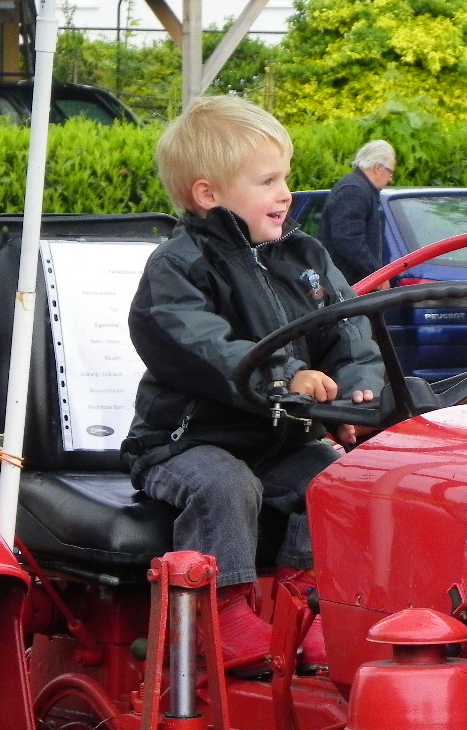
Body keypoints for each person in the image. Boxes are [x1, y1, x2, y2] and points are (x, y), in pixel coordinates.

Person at [122, 95, 385, 671]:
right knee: (226, 485)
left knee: (337, 479)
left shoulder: (305, 256)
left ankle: (306, 606)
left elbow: (348, 329)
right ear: (208, 194)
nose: (285, 193)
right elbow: (202, 345)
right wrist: (285, 378)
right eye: (267, 181)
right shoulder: (180, 266)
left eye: (285, 177)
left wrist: (357, 390)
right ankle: (220, 614)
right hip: (187, 443)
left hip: (279, 443)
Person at [317, 139, 397, 287]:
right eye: (390, 173)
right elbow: (348, 240)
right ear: (378, 167)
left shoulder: (358, 188)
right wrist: (376, 275)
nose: (390, 180)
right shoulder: (354, 190)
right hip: (347, 285)